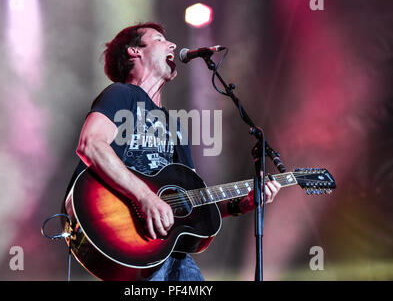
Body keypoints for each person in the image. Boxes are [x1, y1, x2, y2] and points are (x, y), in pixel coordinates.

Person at [65, 22, 282, 281]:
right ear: (135, 51)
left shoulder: (174, 125)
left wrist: (243, 202)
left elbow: (192, 201)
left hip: (170, 252)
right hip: (134, 239)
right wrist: (145, 197)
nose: (173, 45)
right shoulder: (121, 95)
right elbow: (91, 144)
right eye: (159, 39)